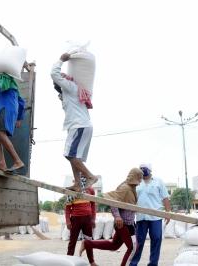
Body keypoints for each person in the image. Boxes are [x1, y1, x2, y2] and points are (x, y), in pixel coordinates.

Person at [50, 53, 98, 191]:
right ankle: (77, 183)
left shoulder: (70, 86)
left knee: (70, 154)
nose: (56, 84)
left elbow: (54, 74)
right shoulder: (68, 93)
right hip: (79, 126)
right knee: (74, 156)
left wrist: (61, 60)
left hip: (79, 126)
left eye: (58, 83)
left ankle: (90, 176)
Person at [80, 168, 143, 266]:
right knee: (132, 248)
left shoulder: (131, 188)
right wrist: (117, 216)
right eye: (139, 179)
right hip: (122, 223)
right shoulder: (125, 188)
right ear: (134, 177)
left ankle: (88, 243)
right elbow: (113, 201)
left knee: (114, 245)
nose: (139, 182)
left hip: (129, 223)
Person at [130, 163, 171, 266]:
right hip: (141, 217)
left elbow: (165, 197)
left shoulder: (158, 181)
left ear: (150, 170)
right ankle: (133, 263)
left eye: (145, 170)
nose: (143, 172)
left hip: (155, 217)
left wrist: (168, 212)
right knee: (139, 242)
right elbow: (132, 198)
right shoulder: (137, 182)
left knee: (156, 239)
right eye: (141, 170)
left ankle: (153, 263)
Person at [65, 176, 96, 260]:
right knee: (72, 241)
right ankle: (68, 261)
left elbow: (93, 205)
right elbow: (67, 207)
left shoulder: (90, 190)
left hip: (87, 219)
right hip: (75, 219)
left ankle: (91, 261)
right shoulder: (72, 191)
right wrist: (68, 221)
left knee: (89, 241)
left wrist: (93, 219)